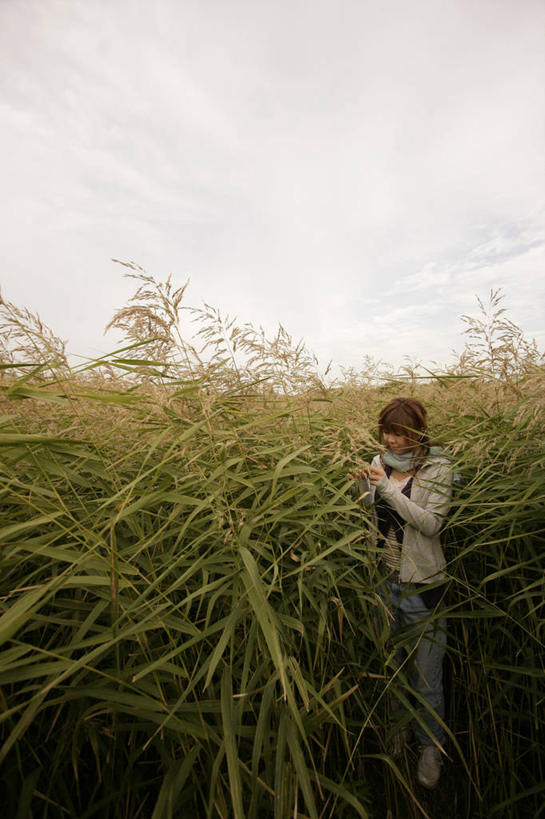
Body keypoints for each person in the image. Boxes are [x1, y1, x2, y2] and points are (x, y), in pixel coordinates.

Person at [350, 396, 453, 789]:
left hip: (422, 586)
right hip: (384, 582)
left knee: (427, 675)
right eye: (386, 433)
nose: (391, 441)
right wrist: (363, 487)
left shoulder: (438, 468)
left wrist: (390, 493)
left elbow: (430, 525)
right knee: (391, 668)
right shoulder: (379, 465)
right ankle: (399, 729)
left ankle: (431, 747)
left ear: (416, 432)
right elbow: (369, 516)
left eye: (399, 433)